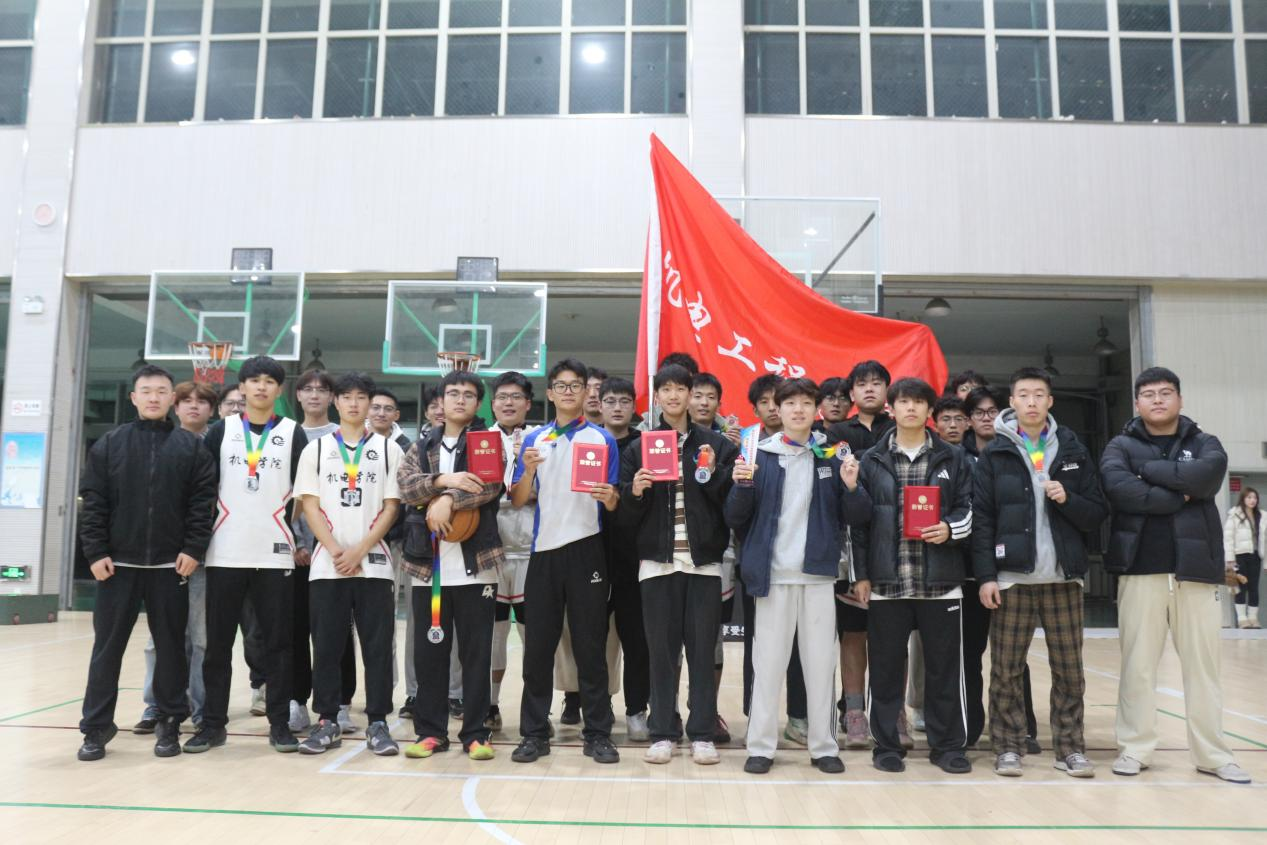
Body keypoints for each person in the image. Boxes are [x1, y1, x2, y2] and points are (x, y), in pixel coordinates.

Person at [1100, 367, 1251, 784]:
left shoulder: (1205, 443)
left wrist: (1147, 471)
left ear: (1180, 399)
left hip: (1197, 574)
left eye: (1166, 393)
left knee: (1204, 669)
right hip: (1140, 571)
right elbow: (1118, 488)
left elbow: (1207, 477)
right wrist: (1179, 493)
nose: (1158, 400)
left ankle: (1213, 755)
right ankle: (1135, 749)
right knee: (1138, 667)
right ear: (1137, 403)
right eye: (1149, 394)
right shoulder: (1120, 445)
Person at [727, 377, 870, 775]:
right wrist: (741, 485)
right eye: (790, 403)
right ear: (779, 408)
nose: (798, 410)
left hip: (818, 575)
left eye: (807, 403)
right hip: (772, 576)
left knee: (821, 665)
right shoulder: (759, 454)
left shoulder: (831, 455)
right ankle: (761, 746)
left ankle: (823, 747)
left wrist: (852, 487)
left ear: (816, 410)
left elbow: (858, 516)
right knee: (767, 664)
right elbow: (735, 517)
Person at [77, 365, 217, 761]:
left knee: (172, 649)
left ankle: (169, 722)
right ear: (134, 397)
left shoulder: (191, 448)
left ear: (172, 398)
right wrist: (95, 552)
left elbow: (202, 504)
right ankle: (96, 727)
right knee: (107, 650)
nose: (154, 397)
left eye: (161, 391)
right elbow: (94, 502)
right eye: (146, 390)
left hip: (170, 568)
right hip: (116, 567)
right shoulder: (110, 444)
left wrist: (193, 549)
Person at [973, 368, 1108, 778]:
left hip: (1063, 578)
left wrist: (1068, 499)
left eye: (1039, 394)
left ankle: (1070, 748)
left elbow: (1097, 512)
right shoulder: (994, 453)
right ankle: (1008, 746)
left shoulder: (1073, 449)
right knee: (1006, 670)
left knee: (1070, 671)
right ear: (1012, 402)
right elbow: (983, 520)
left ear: (1050, 401)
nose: (1031, 401)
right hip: (1012, 579)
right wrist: (987, 576)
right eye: (1023, 394)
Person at [852, 377, 973, 775]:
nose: (911, 408)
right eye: (904, 401)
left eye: (919, 402)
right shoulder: (871, 460)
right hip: (888, 583)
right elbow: (859, 525)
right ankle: (886, 746)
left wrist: (950, 528)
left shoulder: (953, 458)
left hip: (941, 583)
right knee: (885, 670)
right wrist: (861, 575)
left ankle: (948, 746)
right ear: (891, 408)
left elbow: (970, 507)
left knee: (943, 670)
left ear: (929, 410)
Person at [187, 355, 308, 753]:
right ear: (242, 387)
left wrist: (291, 533)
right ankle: (212, 724)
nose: (261, 387)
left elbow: (305, 494)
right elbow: (203, 491)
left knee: (278, 645)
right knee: (218, 646)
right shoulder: (221, 431)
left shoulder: (292, 433)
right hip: (225, 552)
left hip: (275, 554)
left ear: (279, 389)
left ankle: (279, 723)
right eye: (254, 381)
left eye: (269, 381)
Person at [620, 365, 738, 765]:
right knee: (661, 654)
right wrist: (635, 492)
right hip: (657, 565)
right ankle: (663, 732)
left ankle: (702, 732)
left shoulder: (716, 445)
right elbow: (624, 517)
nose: (673, 396)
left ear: (690, 395)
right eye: (665, 389)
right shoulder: (639, 447)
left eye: (680, 389)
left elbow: (731, 504)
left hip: (703, 564)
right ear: (656, 397)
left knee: (703, 653)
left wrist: (714, 475)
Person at [509, 359, 622, 765]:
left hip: (587, 550)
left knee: (591, 647)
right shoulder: (535, 439)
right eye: (562, 385)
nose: (570, 391)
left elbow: (613, 501)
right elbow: (518, 499)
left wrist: (609, 496)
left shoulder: (602, 439)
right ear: (551, 393)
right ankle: (534, 733)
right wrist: (527, 470)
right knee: (538, 649)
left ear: (586, 392)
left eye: (576, 385)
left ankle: (598, 733)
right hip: (544, 553)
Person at [396, 370, 503, 761]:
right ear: (440, 401)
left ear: (478, 403)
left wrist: (446, 501)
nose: (460, 399)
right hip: (429, 570)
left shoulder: (487, 442)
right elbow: (406, 486)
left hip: (477, 568)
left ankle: (475, 733)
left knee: (476, 655)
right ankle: (431, 732)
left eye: (468, 394)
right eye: (453, 393)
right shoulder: (422, 445)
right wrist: (444, 481)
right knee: (430, 656)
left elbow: (490, 486)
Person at [295, 372, 403, 756]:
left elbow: (392, 506)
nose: (354, 404)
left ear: (370, 403)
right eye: (347, 397)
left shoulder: (389, 450)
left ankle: (378, 722)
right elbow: (309, 505)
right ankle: (327, 721)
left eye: (361, 397)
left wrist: (360, 550)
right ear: (336, 402)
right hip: (327, 564)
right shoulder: (316, 450)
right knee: (326, 646)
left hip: (374, 563)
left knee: (377, 647)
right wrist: (335, 549)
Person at [133, 381, 218, 736]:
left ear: (212, 409)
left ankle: (200, 709)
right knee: (160, 638)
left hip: (205, 555)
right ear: (174, 405)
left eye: (201, 401)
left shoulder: (219, 444)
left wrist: (195, 547)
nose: (193, 406)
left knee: (200, 638)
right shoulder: (156, 443)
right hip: (164, 558)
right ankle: (156, 704)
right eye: (186, 400)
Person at [826, 360, 896, 746]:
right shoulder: (836, 432)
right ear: (851, 393)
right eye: (862, 384)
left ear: (888, 390)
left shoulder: (900, 428)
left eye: (877, 383)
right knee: (853, 633)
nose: (870, 389)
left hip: (894, 546)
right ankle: (853, 712)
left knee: (892, 637)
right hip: (850, 546)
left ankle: (893, 712)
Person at [738, 373, 810, 747]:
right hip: (758, 562)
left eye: (776, 400)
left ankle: (799, 716)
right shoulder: (747, 444)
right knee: (759, 647)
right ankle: (757, 717)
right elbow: (735, 510)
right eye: (765, 402)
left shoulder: (818, 448)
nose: (772, 408)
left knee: (803, 647)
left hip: (805, 568)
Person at [289, 368, 359, 736]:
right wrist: (297, 542)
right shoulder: (288, 435)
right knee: (296, 629)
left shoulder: (345, 436)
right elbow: (291, 497)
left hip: (337, 553)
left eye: (322, 389)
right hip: (295, 553)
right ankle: (297, 702)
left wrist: (335, 547)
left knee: (338, 632)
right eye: (308, 389)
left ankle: (341, 704)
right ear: (298, 395)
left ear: (333, 397)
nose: (315, 395)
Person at [687, 370, 740, 741]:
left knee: (712, 638)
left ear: (719, 402)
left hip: (719, 552)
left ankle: (707, 710)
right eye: (698, 395)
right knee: (672, 641)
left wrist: (730, 453)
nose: (703, 402)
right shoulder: (662, 439)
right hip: (674, 552)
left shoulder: (730, 442)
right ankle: (670, 712)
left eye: (710, 396)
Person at [598, 376, 651, 741]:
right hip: (593, 551)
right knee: (593, 639)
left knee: (636, 639)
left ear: (634, 406)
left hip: (634, 554)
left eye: (624, 401)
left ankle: (636, 710)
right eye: (610, 401)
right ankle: (597, 708)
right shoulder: (588, 442)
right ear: (598, 404)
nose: (617, 407)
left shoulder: (646, 445)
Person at [487, 371, 537, 731]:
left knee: (534, 637)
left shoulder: (540, 440)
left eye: (516, 397)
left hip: (532, 553)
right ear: (492, 404)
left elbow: (547, 491)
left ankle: (535, 711)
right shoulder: (479, 441)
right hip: (490, 554)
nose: (508, 402)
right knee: (494, 637)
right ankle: (489, 705)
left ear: (528, 404)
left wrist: (525, 489)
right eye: (502, 397)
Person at [368, 388, 416, 712]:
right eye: (376, 407)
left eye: (388, 409)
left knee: (411, 620)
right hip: (361, 545)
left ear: (397, 415)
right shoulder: (351, 445)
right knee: (374, 623)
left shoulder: (408, 448)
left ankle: (414, 692)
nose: (381, 413)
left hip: (399, 543)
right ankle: (381, 688)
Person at [1223, 488, 1264, 628]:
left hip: (1255, 556)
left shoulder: (1261, 516)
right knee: (1240, 586)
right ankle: (1242, 619)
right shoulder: (1234, 514)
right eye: (1249, 497)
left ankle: (1253, 618)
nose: (1252, 500)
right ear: (1243, 499)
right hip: (1238, 557)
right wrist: (1230, 560)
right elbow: (1228, 538)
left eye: (1255, 497)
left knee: (1254, 587)